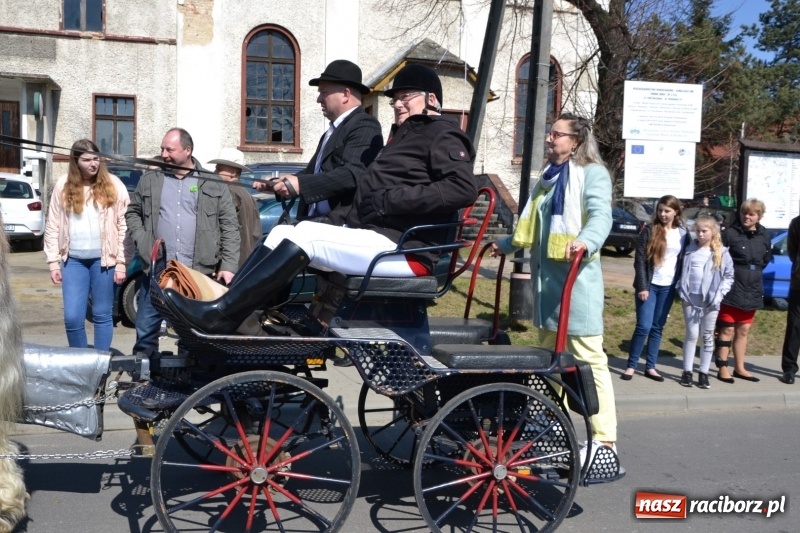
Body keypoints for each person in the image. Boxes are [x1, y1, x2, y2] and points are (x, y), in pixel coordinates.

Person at [162, 63, 478, 335]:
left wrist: (389, 201)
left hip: (407, 250)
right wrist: (339, 217)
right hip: (381, 238)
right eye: (395, 99)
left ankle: (221, 315)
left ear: (432, 99)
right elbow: (367, 198)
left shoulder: (442, 133)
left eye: (405, 97)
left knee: (308, 237)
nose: (397, 104)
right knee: (287, 231)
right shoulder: (402, 139)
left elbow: (462, 189)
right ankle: (226, 304)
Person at [490, 113, 619, 464]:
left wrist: (585, 241)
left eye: (556, 134)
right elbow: (530, 227)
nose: (549, 139)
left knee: (589, 361)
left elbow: (599, 217)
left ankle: (605, 443)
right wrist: (504, 245)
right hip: (549, 291)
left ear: (575, 141)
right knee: (550, 363)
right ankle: (553, 428)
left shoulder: (592, 174)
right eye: (549, 133)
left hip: (576, 289)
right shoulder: (547, 179)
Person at [126, 128, 240, 354]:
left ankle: (188, 378)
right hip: (158, 271)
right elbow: (133, 212)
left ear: (188, 151)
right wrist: (143, 240)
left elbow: (229, 226)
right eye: (162, 149)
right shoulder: (151, 180)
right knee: (146, 329)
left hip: (195, 273)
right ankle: (145, 375)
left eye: (170, 149)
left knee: (192, 332)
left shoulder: (212, 182)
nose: (164, 154)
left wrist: (228, 265)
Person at [256, 59, 383, 223]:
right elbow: (310, 174)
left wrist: (301, 184)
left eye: (324, 93)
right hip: (313, 220)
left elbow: (352, 174)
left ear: (345, 94)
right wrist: (280, 183)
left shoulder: (364, 124)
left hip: (339, 224)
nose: (319, 99)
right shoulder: (331, 132)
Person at [43, 139, 130, 351]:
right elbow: (53, 224)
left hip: (104, 261)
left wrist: (121, 263)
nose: (93, 163)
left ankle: (100, 366)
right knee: (73, 318)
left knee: (102, 314)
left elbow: (123, 226)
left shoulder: (114, 184)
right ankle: (81, 363)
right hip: (73, 261)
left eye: (96, 158)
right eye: (87, 159)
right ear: (76, 161)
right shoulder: (63, 185)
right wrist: (53, 262)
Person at [621, 195, 689, 382]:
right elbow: (639, 261)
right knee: (643, 326)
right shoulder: (649, 230)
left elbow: (684, 260)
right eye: (660, 210)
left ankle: (650, 367)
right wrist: (643, 286)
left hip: (668, 287)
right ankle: (631, 366)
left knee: (658, 327)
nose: (663, 214)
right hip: (649, 286)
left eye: (667, 211)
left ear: (676, 212)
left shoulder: (683, 234)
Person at [715, 198, 772, 383]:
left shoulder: (764, 236)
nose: (746, 217)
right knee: (727, 329)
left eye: (751, 214)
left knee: (744, 330)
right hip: (732, 286)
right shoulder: (730, 233)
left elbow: (765, 259)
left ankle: (740, 368)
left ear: (759, 217)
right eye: (744, 213)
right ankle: (722, 368)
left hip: (753, 287)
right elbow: (718, 258)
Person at [677, 216, 734, 389]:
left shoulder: (721, 252)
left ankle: (703, 372)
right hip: (690, 298)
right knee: (692, 334)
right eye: (698, 231)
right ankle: (687, 371)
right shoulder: (689, 249)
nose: (700, 234)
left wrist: (719, 295)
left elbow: (729, 276)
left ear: (713, 232)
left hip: (710, 300)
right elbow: (682, 273)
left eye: (704, 231)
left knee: (707, 335)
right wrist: (681, 290)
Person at [207, 148, 261, 267]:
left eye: (219, 169)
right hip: (245, 259)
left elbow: (224, 229)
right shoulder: (247, 194)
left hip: (231, 263)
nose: (215, 172)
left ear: (233, 172)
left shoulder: (229, 193)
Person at [780, 213, 800, 385]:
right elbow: (792, 251)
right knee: (794, 326)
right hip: (799, 284)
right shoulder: (797, 223)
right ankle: (789, 368)